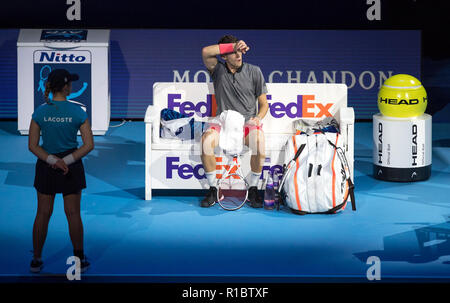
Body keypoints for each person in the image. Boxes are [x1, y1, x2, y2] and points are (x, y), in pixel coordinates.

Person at [28, 69, 94, 273]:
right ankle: (79, 259)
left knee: (42, 213)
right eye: (70, 83)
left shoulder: (40, 112)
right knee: (73, 213)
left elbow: (33, 145)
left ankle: (36, 260)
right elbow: (88, 145)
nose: (71, 86)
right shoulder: (78, 112)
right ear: (66, 87)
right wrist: (65, 161)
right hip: (71, 166)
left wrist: (52, 160)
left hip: (46, 166)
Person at [200, 35, 269, 208]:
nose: (239, 55)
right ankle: (213, 189)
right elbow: (206, 52)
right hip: (222, 122)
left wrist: (258, 118)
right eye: (234, 52)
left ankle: (253, 188)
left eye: (240, 52)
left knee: (260, 145)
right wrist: (233, 45)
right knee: (206, 142)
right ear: (224, 56)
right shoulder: (218, 71)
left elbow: (264, 104)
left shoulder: (254, 71)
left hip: (247, 123)